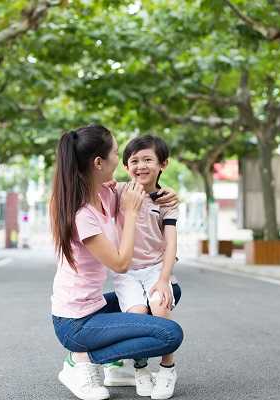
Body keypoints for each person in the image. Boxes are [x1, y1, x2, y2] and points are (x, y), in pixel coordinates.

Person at [50, 125, 183, 400]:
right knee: (170, 334)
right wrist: (131, 213)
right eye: (115, 153)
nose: (120, 159)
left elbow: (144, 191)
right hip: (76, 323)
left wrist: (167, 193)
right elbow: (121, 264)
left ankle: (117, 368)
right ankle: (80, 360)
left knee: (169, 292)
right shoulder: (82, 215)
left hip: (95, 306)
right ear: (99, 163)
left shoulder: (103, 193)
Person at [103, 135, 179, 399]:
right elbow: (96, 188)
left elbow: (171, 243)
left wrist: (164, 279)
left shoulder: (166, 201)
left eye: (148, 159)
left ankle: (168, 368)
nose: (141, 166)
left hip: (156, 268)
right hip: (126, 272)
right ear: (126, 166)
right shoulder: (118, 191)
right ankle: (141, 368)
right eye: (134, 161)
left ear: (163, 164)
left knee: (160, 306)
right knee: (136, 317)